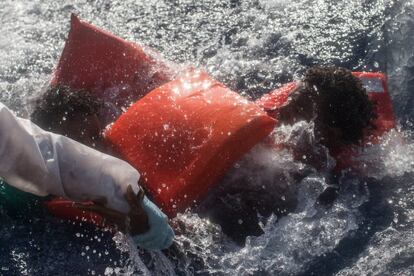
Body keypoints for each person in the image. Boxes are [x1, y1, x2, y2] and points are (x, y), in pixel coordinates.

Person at [29, 66, 377, 244]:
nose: (284, 105)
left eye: (298, 105)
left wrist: (144, 228)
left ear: (327, 133)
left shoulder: (319, 185)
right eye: (293, 96)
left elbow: (219, 242)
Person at [0, 102, 174, 250]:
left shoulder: (130, 187)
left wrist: (147, 228)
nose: (96, 148)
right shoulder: (22, 198)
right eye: (83, 142)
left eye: (97, 136)